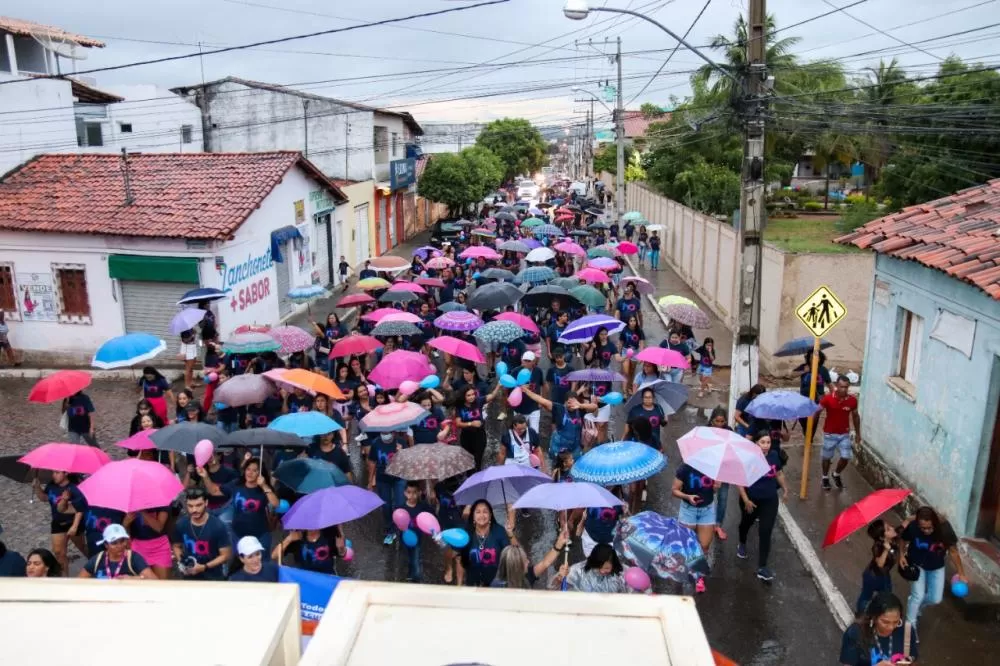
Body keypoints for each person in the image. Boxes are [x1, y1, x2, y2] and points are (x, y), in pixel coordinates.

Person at [900, 506, 966, 626]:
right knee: (918, 595)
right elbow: (903, 540)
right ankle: (910, 626)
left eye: (929, 528)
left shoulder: (945, 529)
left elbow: (953, 551)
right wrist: (901, 555)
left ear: (935, 523)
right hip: (916, 564)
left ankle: (916, 604)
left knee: (935, 599)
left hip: (936, 566)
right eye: (922, 528)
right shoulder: (913, 527)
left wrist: (961, 573)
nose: (926, 531)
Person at [737, 430, 788, 582]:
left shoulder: (774, 455)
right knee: (746, 524)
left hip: (770, 500)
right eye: (762, 442)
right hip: (751, 500)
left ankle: (762, 567)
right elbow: (739, 480)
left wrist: (785, 489)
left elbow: (778, 473)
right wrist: (746, 500)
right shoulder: (748, 458)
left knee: (765, 531)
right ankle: (742, 542)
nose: (766, 445)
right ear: (756, 443)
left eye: (768, 442)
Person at [839, 592, 918, 666]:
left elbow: (912, 657)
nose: (891, 627)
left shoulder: (907, 631)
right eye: (885, 622)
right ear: (874, 617)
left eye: (896, 622)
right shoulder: (855, 634)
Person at [172, 488, 232, 581]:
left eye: (198, 505)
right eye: (190, 506)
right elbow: (176, 546)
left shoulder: (218, 526)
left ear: (206, 503)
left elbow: (225, 555)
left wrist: (204, 567)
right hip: (189, 577)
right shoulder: (181, 524)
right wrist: (182, 562)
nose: (194, 510)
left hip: (213, 578)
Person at [34, 470, 86, 576]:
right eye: (53, 472)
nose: (54, 475)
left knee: (82, 547)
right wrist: (37, 487)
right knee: (59, 553)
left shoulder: (74, 488)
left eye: (57, 473)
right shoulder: (51, 485)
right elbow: (45, 498)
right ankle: (65, 578)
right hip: (57, 523)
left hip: (72, 523)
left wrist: (75, 526)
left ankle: (94, 561)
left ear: (66, 473)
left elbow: (80, 509)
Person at [673, 458, 720, 568]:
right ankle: (684, 569)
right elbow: (674, 490)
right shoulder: (685, 468)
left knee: (704, 546)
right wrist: (687, 497)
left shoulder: (713, 467)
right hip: (688, 510)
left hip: (707, 510)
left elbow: (712, 491)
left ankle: (698, 571)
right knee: (686, 545)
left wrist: (716, 487)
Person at [231, 457, 280, 558]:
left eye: (255, 470)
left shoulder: (264, 488)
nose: (250, 473)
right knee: (240, 563)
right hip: (238, 534)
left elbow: (276, 504)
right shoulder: (237, 484)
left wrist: (264, 486)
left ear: (260, 473)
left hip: (260, 535)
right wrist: (205, 476)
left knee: (262, 563)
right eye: (248, 469)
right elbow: (215, 491)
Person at [458, 499, 514, 587]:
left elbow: (513, 553)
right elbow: (459, 559)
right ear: (473, 516)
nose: (482, 515)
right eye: (478, 512)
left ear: (490, 515)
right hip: (472, 584)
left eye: (485, 512)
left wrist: (510, 534)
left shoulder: (499, 531)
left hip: (495, 584)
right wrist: (459, 586)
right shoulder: (466, 533)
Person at [820, 376, 861, 491]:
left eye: (846, 387)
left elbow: (856, 416)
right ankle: (825, 477)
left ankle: (836, 474)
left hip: (844, 434)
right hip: (829, 434)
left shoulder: (852, 400)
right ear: (837, 386)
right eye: (841, 387)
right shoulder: (828, 399)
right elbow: (817, 412)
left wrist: (858, 434)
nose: (844, 389)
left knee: (846, 456)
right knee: (826, 457)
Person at [492, 529, 569, 589]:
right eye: (525, 561)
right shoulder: (498, 588)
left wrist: (559, 543)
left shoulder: (526, 575)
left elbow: (545, 563)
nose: (528, 561)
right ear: (517, 567)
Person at [368, 430, 407, 545]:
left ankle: (402, 527)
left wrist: (401, 453)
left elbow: (408, 462)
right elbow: (372, 462)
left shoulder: (401, 442)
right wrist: (370, 481)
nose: (385, 434)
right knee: (386, 506)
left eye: (388, 432)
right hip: (383, 479)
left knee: (400, 504)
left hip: (399, 478)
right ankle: (390, 529)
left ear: (393, 432)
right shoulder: (375, 443)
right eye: (383, 432)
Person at [79, 524, 156, 580]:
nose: (119, 546)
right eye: (114, 543)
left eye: (122, 541)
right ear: (106, 545)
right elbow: (79, 582)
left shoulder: (134, 558)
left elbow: (154, 580)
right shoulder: (98, 559)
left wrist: (133, 579)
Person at [453, 384, 501, 471]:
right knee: (468, 459)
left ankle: (478, 474)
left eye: (473, 394)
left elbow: (492, 396)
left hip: (479, 434)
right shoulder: (460, 407)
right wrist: (471, 423)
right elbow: (458, 423)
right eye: (468, 395)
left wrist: (498, 385)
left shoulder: (478, 401)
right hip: (466, 436)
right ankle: (469, 475)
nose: (472, 397)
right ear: (463, 396)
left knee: (478, 459)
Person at [857, 519, 898, 615]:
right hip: (872, 577)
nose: (892, 528)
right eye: (888, 529)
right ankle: (860, 614)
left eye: (890, 526)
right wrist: (886, 550)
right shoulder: (877, 546)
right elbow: (880, 563)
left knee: (886, 597)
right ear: (882, 537)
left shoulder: (894, 537)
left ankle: (879, 614)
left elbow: (905, 523)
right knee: (866, 597)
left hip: (884, 576)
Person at [707, 407, 734, 541]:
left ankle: (718, 525)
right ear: (712, 420)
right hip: (708, 470)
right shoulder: (705, 432)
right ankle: (705, 522)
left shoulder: (729, 432)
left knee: (722, 499)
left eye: (722, 421)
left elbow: (732, 451)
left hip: (724, 470)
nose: (719, 424)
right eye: (717, 421)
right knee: (707, 497)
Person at [125, 506, 172, 579]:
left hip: (159, 546)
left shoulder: (161, 503)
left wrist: (143, 512)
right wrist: (126, 521)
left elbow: (159, 528)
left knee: (162, 583)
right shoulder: (131, 504)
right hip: (138, 546)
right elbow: (124, 531)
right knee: (140, 581)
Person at [797, 349, 833, 444]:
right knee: (802, 418)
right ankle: (806, 432)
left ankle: (810, 438)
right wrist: (803, 371)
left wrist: (834, 397)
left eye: (816, 357)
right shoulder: (804, 367)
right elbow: (790, 375)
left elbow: (830, 385)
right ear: (808, 358)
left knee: (814, 420)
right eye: (811, 357)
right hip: (803, 399)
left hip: (817, 400)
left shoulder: (823, 370)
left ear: (820, 358)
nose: (814, 359)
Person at [274, 528, 345, 575]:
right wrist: (289, 539)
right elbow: (274, 555)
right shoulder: (298, 537)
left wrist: (341, 548)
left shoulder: (328, 534)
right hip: (305, 580)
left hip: (327, 580)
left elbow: (342, 554)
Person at [401, 481, 433, 582]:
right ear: (404, 493)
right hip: (405, 538)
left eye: (414, 492)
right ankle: (410, 573)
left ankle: (417, 578)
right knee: (409, 557)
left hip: (417, 538)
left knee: (415, 558)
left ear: (419, 493)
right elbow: (397, 522)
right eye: (409, 492)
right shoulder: (401, 508)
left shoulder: (423, 506)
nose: (412, 495)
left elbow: (431, 516)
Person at [565, 543, 629, 593]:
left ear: (614, 564)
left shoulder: (624, 572)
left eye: (606, 568)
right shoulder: (577, 571)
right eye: (598, 567)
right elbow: (565, 591)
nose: (602, 571)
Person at [512, 351, 545, 432]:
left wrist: (541, 400)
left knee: (534, 431)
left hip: (534, 407)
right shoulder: (515, 371)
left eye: (528, 361)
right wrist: (519, 387)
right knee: (519, 431)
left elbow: (542, 385)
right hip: (519, 408)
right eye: (525, 360)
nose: (526, 363)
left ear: (534, 361)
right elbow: (508, 387)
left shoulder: (538, 371)